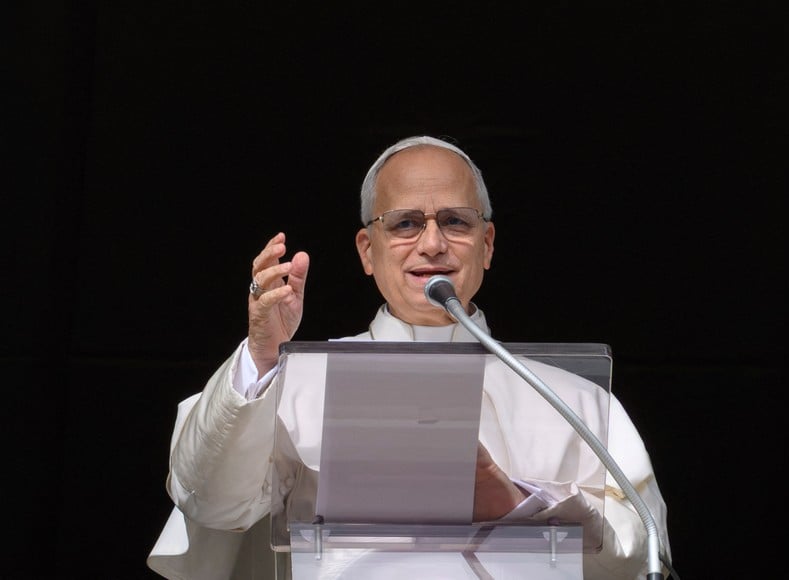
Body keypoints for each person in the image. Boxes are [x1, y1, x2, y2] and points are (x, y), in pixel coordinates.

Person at [146, 135, 672, 579]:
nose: (433, 244)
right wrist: (263, 355)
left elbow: (642, 549)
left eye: (455, 222)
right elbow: (212, 501)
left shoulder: (571, 399)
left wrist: (515, 507)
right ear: (366, 251)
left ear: (487, 245)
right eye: (404, 224)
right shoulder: (294, 380)